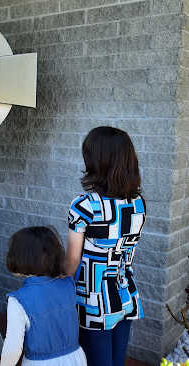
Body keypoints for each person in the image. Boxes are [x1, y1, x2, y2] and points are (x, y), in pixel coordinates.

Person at [63, 126, 145, 366]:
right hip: (124, 292)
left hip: (93, 299)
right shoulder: (138, 204)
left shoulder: (85, 205)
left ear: (96, 161)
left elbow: (72, 262)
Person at [0, 226, 87, 366]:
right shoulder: (68, 285)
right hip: (75, 359)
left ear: (20, 258)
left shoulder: (18, 300)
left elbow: (13, 347)